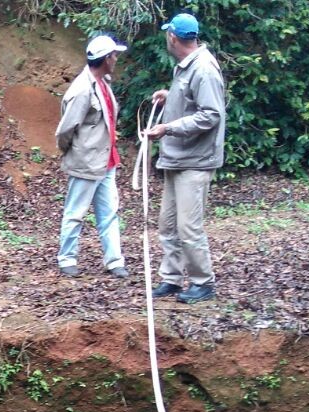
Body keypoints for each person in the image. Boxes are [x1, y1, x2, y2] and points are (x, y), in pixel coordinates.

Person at [144, 12, 226, 304]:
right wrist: (171, 96)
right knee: (168, 225)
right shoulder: (185, 67)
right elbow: (193, 101)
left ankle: (203, 283)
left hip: (195, 161)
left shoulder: (203, 69)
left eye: (168, 34)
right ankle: (172, 278)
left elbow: (211, 115)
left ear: (173, 38)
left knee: (189, 228)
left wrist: (169, 128)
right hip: (176, 159)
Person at [54, 34, 130, 279]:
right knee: (75, 212)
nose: (116, 59)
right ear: (106, 58)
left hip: (106, 161)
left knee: (109, 213)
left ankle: (115, 261)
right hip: (86, 162)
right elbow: (65, 129)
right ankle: (67, 259)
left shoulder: (103, 83)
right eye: (114, 55)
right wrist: (74, 152)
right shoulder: (81, 90)